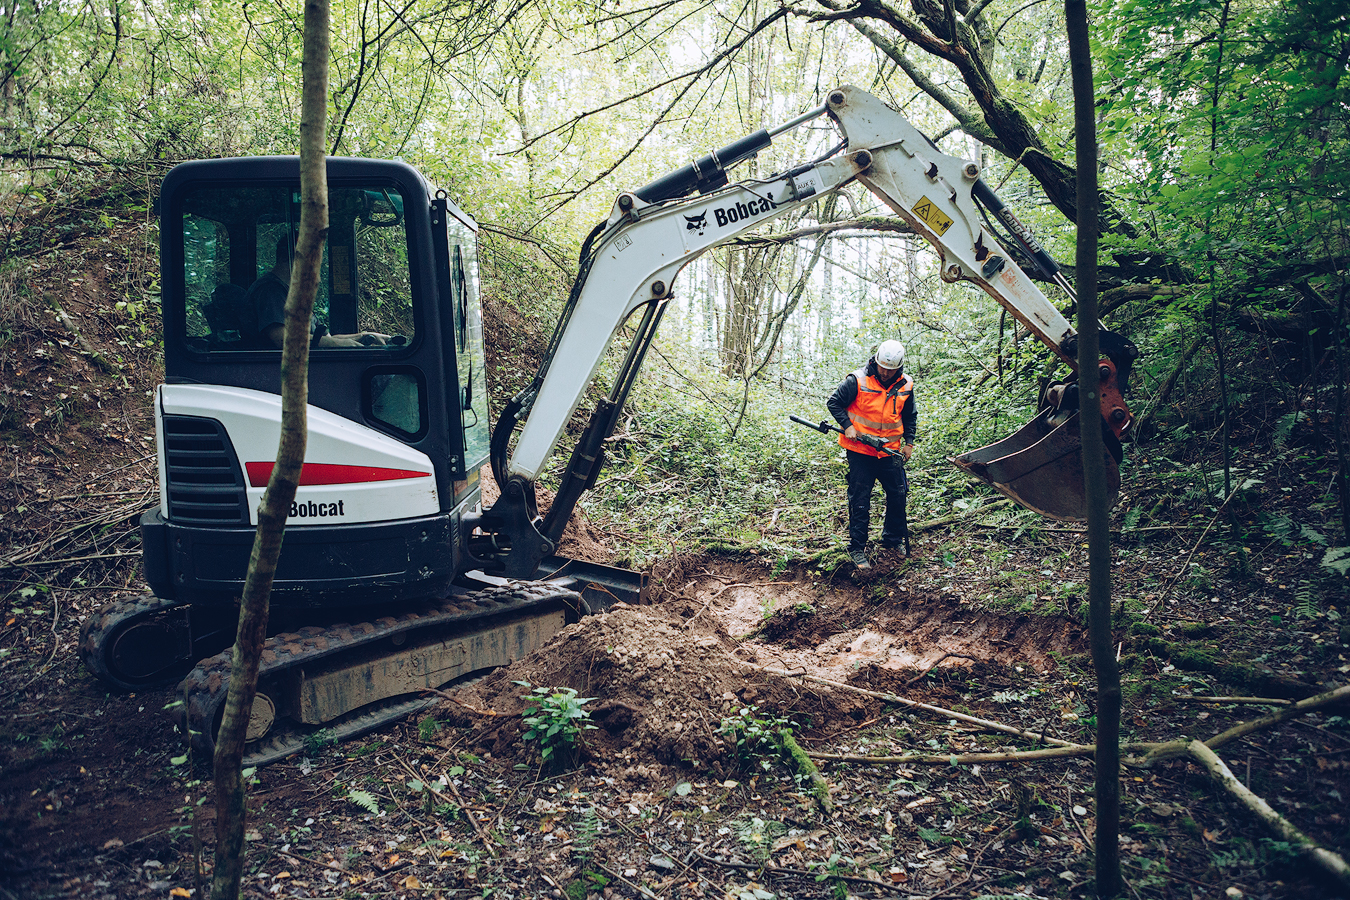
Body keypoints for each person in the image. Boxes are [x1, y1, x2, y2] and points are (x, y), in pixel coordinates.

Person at [826, 339, 917, 571]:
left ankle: (892, 539)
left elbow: (909, 416)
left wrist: (909, 443)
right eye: (882, 367)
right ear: (875, 361)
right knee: (860, 499)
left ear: (900, 367)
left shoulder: (906, 385)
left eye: (891, 369)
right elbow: (834, 403)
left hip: (890, 451)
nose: (886, 373)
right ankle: (857, 547)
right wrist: (847, 425)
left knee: (898, 494)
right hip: (860, 453)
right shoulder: (856, 380)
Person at [243, 236, 391, 349]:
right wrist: (335, 344)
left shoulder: (291, 294)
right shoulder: (270, 291)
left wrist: (362, 336)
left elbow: (323, 337)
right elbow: (281, 338)